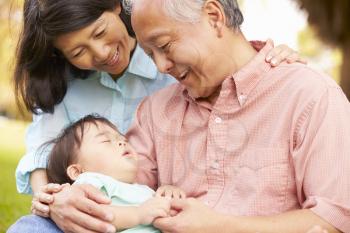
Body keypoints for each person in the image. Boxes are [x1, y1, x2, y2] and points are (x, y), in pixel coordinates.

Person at [9, 0, 305, 231]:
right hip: (90, 205)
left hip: (155, 205)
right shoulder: (69, 85)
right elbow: (42, 149)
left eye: (99, 32)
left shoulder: (172, 65)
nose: (100, 53)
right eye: (78, 52)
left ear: (115, 6)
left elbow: (226, 65)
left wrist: (270, 60)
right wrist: (53, 201)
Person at [123, 0, 350, 232]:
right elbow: (117, 193)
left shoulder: (309, 96)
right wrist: (87, 195)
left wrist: (219, 226)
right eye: (150, 55)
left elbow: (337, 218)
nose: (161, 66)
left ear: (214, 17)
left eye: (164, 46)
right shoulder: (153, 112)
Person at [44, 114, 185, 233]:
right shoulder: (91, 180)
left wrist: (167, 194)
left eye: (123, 139)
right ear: (77, 171)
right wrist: (138, 214)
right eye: (106, 141)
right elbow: (91, 216)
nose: (121, 143)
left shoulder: (143, 189)